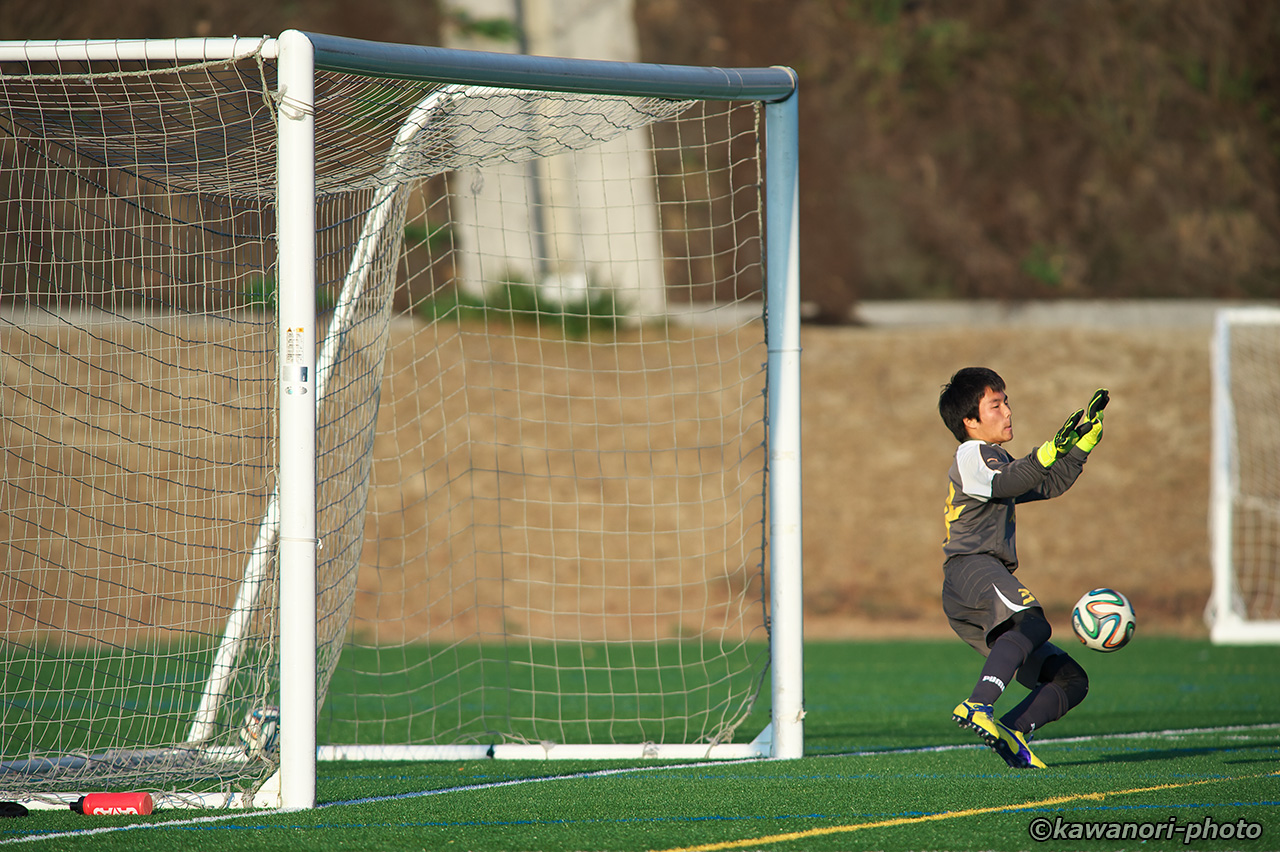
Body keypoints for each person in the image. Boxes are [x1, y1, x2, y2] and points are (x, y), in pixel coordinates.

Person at [937, 367, 1107, 769]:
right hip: (972, 569)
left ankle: (1011, 729)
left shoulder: (994, 457)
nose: (1008, 411)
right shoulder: (972, 454)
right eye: (996, 405)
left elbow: (1045, 483)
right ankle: (978, 704)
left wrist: (1080, 447)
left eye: (1006, 401)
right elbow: (1009, 481)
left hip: (980, 580)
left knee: (1070, 679)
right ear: (970, 421)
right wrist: (1046, 451)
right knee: (1032, 622)